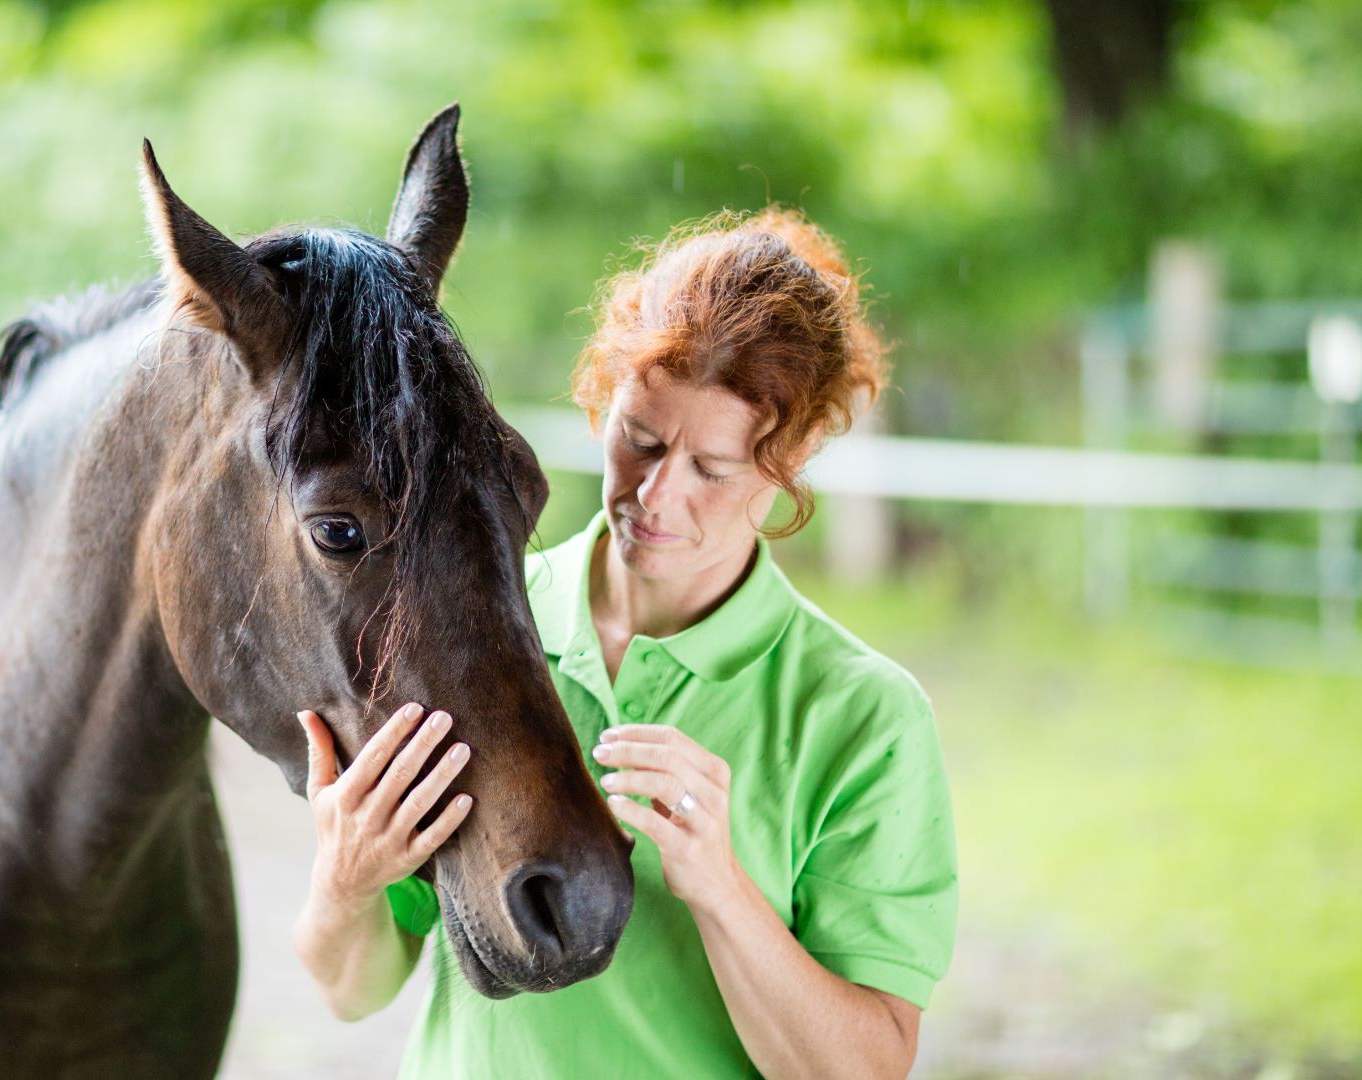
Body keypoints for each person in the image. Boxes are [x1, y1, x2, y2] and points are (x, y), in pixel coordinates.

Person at [291, 208, 957, 1080]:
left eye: (712, 470)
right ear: (603, 401)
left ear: (790, 462)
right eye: (638, 440)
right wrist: (345, 881)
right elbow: (354, 991)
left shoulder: (863, 716)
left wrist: (719, 885)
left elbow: (863, 1069)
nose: (655, 495)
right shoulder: (478, 629)